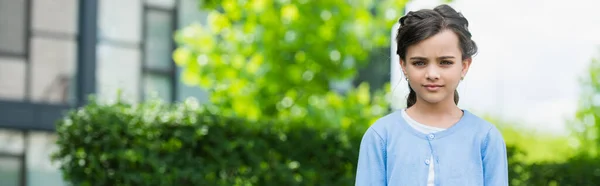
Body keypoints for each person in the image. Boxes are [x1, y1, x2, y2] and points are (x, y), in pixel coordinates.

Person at [355, 4, 508, 186]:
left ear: (464, 66)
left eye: (445, 62)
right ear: (403, 65)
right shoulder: (380, 137)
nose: (432, 74)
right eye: (419, 63)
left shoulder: (486, 139)